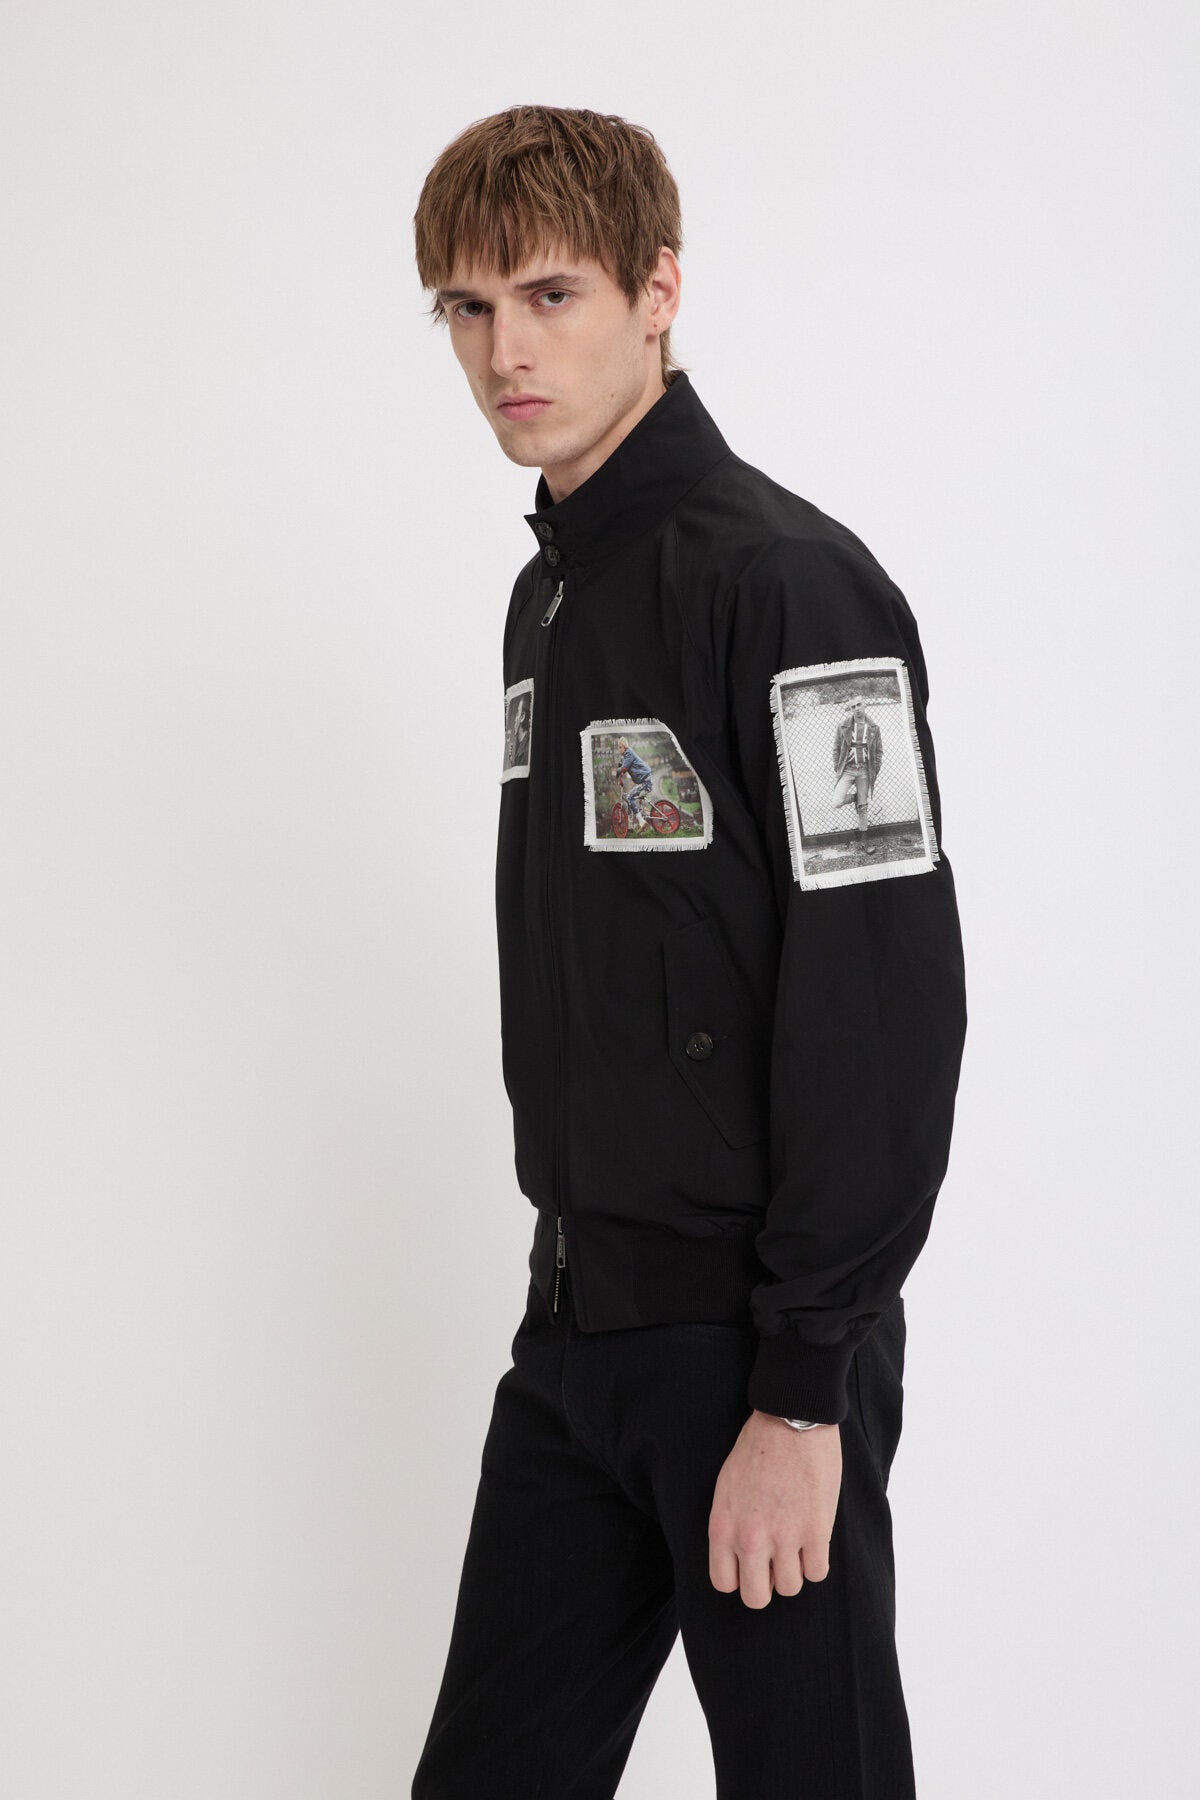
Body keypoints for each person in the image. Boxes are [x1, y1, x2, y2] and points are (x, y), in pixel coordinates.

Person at [410, 104, 967, 1800]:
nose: (505, 352)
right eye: (466, 307)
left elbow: (884, 1007)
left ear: (658, 292)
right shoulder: (550, 599)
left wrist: (800, 1393)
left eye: (550, 296)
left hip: (752, 1352)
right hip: (573, 1339)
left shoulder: (790, 588)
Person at [833, 694, 883, 851]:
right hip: (848, 770)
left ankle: (864, 842)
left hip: (864, 771)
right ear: (850, 709)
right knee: (836, 801)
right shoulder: (843, 726)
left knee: (863, 808)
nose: (857, 709)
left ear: (864, 704)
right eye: (853, 706)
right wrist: (837, 767)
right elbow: (836, 749)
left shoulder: (874, 727)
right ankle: (857, 798)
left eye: (859, 704)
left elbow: (879, 751)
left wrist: (875, 769)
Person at [614, 734, 655, 828]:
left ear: (624, 746)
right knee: (631, 797)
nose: (619, 750)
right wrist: (620, 776)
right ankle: (631, 825)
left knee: (629, 797)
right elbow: (623, 766)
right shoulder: (627, 755)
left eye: (620, 747)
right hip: (646, 781)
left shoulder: (629, 754)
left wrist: (618, 774)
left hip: (646, 783)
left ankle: (641, 821)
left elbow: (624, 768)